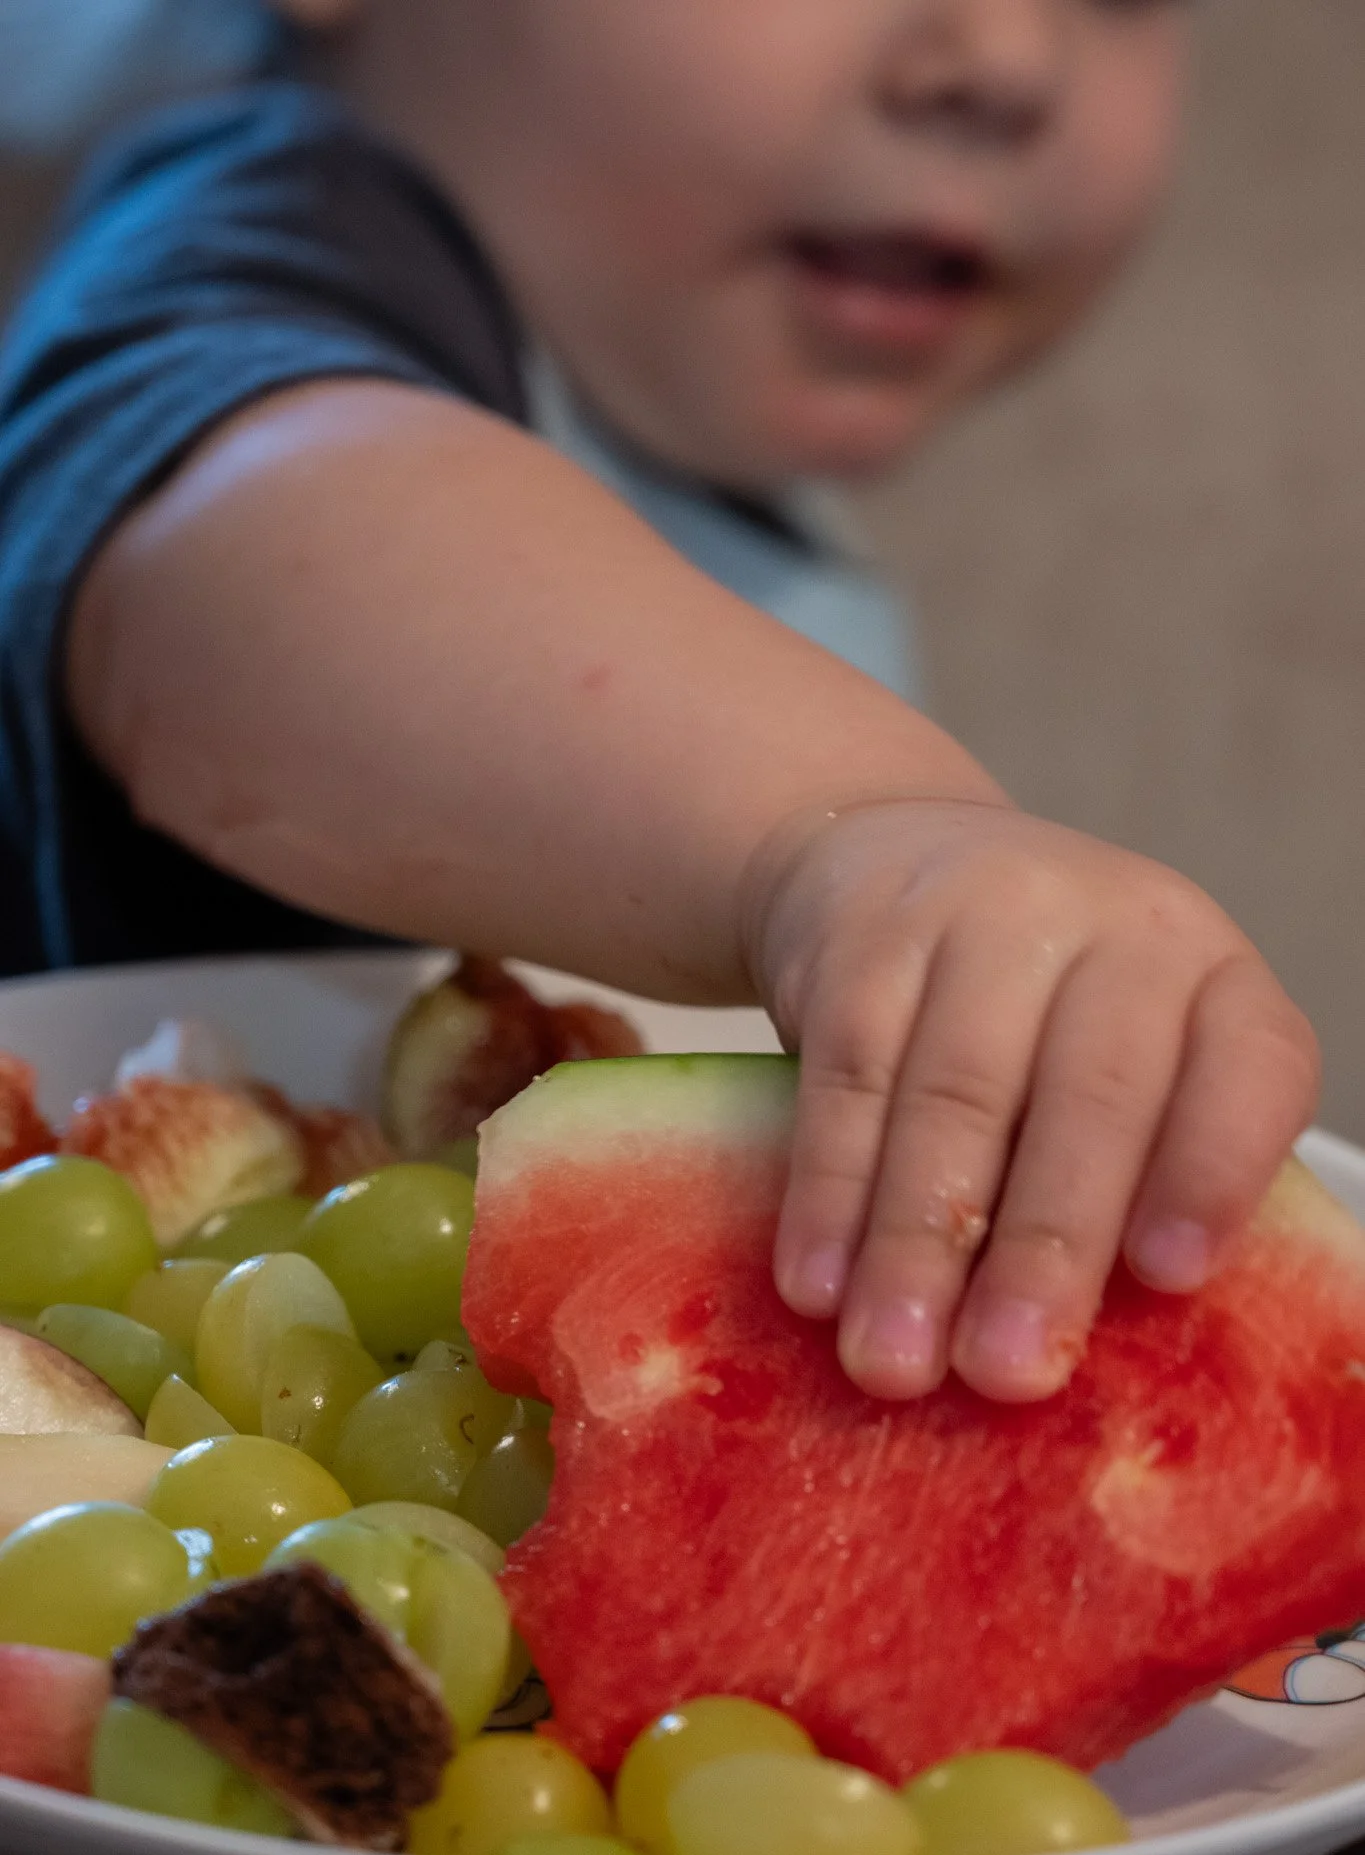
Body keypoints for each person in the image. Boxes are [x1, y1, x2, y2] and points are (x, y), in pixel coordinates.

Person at [0, 1, 1319, 1413]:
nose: (1004, 62)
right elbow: (244, 561)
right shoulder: (268, 229)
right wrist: (858, 832)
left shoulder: (706, 455)